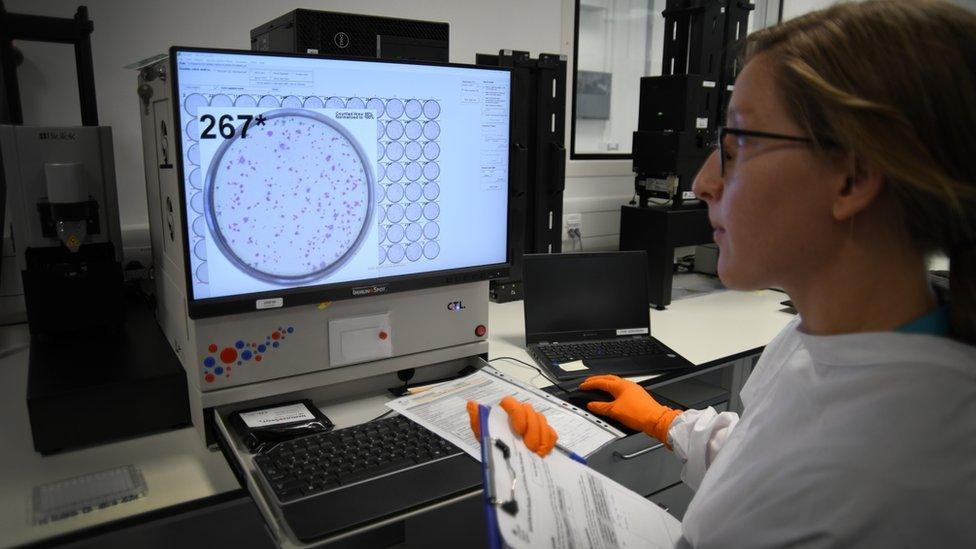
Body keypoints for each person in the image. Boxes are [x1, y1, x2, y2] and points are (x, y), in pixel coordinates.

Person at [468, 0, 976, 545]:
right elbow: (764, 463)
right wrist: (665, 421)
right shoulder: (824, 338)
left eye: (738, 145)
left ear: (852, 179)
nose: (704, 181)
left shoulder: (898, 481)